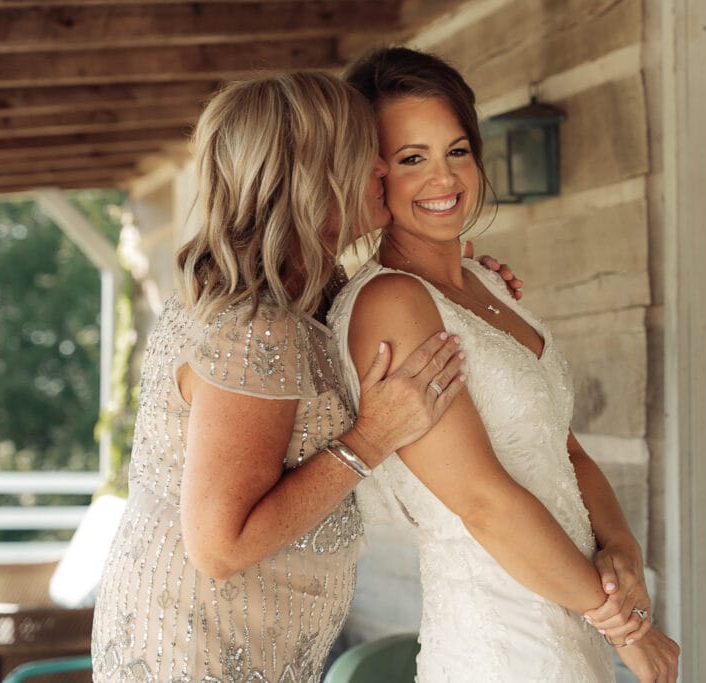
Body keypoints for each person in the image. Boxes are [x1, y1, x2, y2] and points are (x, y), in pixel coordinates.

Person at [90, 71, 474, 682]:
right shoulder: (253, 324)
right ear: (312, 174)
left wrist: (467, 286)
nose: (382, 167)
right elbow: (221, 548)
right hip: (200, 652)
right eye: (363, 150)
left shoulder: (312, 295)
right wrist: (370, 439)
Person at [328, 48, 681, 681]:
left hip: (575, 614)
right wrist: (626, 626)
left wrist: (623, 553)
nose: (445, 179)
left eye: (457, 151)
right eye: (413, 159)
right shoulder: (391, 302)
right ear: (371, 172)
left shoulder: (486, 286)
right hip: (502, 637)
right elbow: (481, 501)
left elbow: (564, 451)